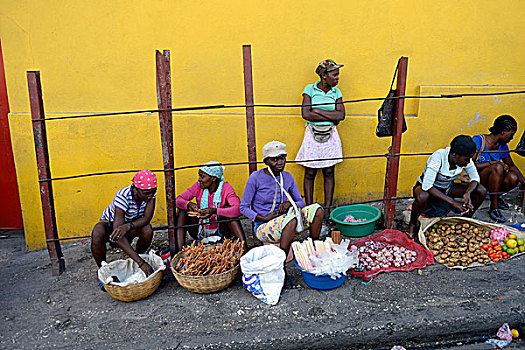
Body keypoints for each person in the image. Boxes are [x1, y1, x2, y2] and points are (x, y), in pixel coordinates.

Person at [241, 141, 324, 257]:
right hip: (263, 226)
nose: (280, 163)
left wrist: (289, 204)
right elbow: (243, 207)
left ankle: (314, 248)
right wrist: (263, 218)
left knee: (317, 210)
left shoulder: (287, 176)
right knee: (291, 221)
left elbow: (300, 203)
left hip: (286, 220)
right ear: (266, 162)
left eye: (282, 158)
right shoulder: (255, 177)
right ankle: (281, 261)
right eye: (274, 160)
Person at [295, 59, 346, 222]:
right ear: (324, 76)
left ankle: (328, 209)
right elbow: (306, 114)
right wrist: (330, 116)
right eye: (334, 74)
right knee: (310, 171)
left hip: (331, 134)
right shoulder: (309, 89)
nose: (337, 78)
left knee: (329, 171)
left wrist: (317, 110)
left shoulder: (336, 92)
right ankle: (310, 210)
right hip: (312, 134)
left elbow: (341, 115)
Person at [408, 135, 487, 237]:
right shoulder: (439, 157)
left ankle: (465, 219)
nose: (468, 163)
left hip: (447, 188)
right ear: (455, 154)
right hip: (427, 188)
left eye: (469, 159)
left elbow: (475, 178)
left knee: (481, 190)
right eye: (466, 160)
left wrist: (468, 193)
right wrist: (453, 202)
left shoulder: (466, 159)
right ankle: (412, 224)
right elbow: (427, 186)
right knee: (423, 196)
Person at [91, 170, 157, 285]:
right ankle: (103, 269)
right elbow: (118, 234)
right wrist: (142, 263)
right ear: (135, 189)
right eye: (146, 193)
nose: (150, 196)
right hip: (111, 225)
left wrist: (128, 226)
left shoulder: (150, 195)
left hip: (130, 224)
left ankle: (135, 259)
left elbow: (147, 218)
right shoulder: (123, 196)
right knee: (97, 232)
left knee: (147, 230)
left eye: (152, 192)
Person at [175, 161, 247, 252]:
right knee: (182, 211)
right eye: (199, 176)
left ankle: (244, 249)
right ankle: (180, 250)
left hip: (221, 230)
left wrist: (214, 211)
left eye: (202, 176)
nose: (199, 179)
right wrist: (188, 204)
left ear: (213, 178)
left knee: (228, 210)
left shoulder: (226, 188)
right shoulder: (198, 186)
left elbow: (238, 210)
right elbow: (177, 200)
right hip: (200, 229)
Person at [473, 115, 525, 223]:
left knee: (513, 177)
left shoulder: (502, 146)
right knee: (498, 167)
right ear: (503, 132)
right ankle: (494, 207)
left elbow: (511, 166)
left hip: (493, 181)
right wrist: (493, 163)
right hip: (478, 181)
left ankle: (495, 196)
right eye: (511, 134)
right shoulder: (479, 141)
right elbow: (470, 166)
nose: (512, 138)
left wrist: (524, 182)